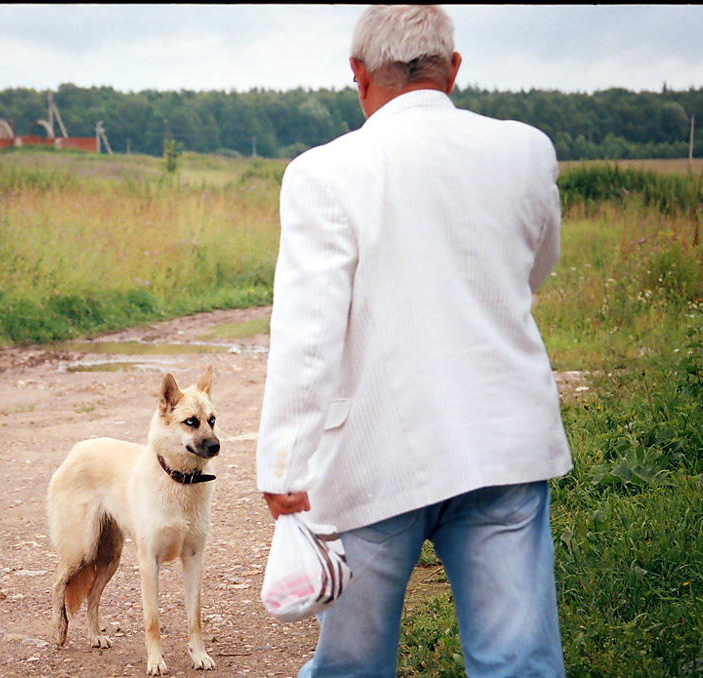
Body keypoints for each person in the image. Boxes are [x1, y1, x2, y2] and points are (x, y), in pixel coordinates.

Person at [255, 5, 573, 677]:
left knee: (353, 665)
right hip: (501, 445)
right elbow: (531, 270)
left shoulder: (323, 173)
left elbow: (308, 337)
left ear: (357, 75)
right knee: (517, 663)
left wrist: (284, 465)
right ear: (452, 69)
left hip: (373, 456)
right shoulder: (525, 150)